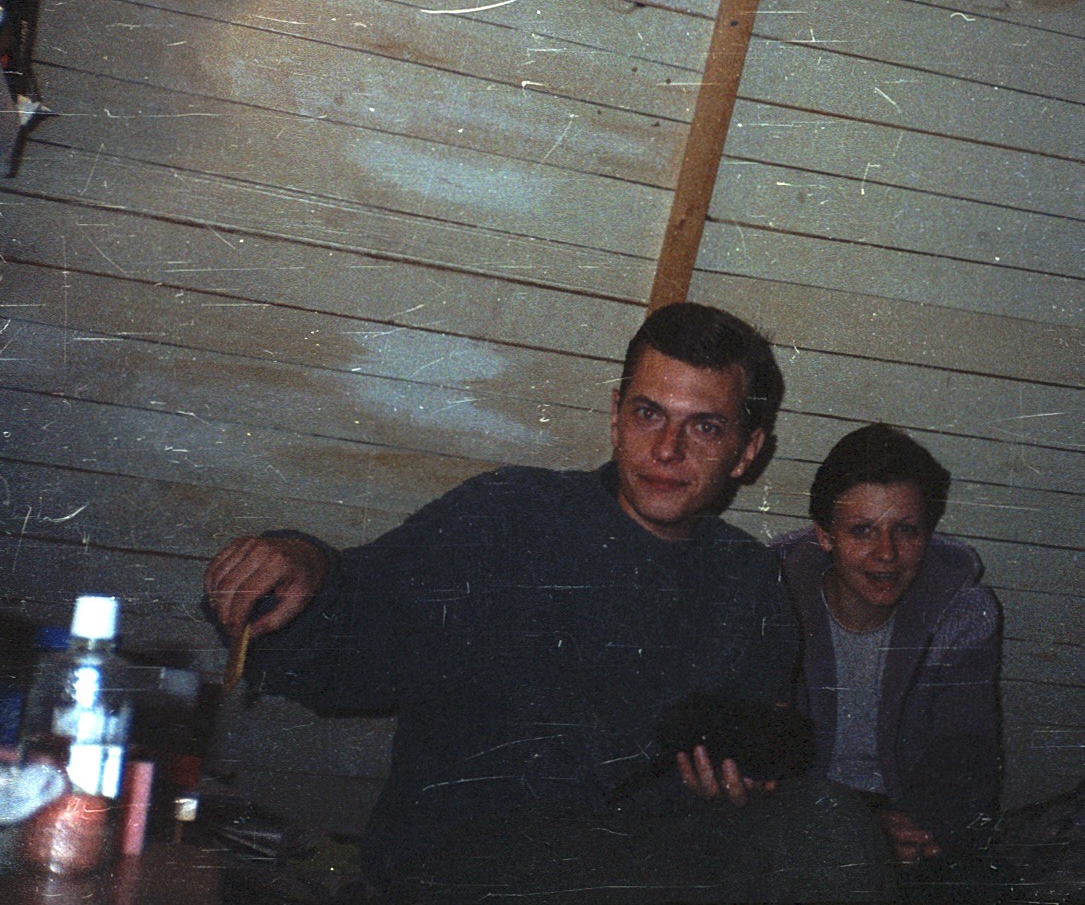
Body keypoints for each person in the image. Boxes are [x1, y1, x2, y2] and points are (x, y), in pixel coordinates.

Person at [204, 303, 890, 900]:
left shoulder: (749, 582)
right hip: (468, 865)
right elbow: (347, 646)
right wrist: (300, 564)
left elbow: (751, 766)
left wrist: (740, 789)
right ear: (616, 418)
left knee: (832, 822)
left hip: (643, 867)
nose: (668, 448)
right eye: (648, 413)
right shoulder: (511, 515)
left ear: (746, 452)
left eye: (705, 427)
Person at [775, 423, 1002, 889]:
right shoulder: (775, 597)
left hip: (910, 821)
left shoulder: (962, 612)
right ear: (824, 535)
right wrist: (859, 832)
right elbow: (763, 753)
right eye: (862, 531)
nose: (887, 554)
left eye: (906, 530)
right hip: (795, 817)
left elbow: (968, 757)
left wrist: (919, 830)